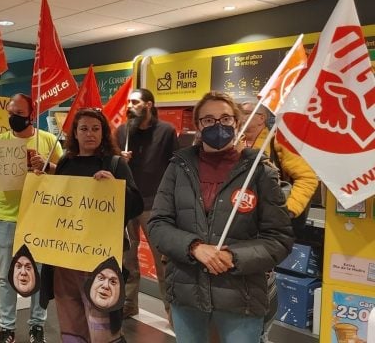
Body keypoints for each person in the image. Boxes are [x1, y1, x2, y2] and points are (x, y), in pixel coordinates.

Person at [147, 91, 294, 343]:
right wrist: (194, 247)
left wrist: (233, 256)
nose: (218, 125)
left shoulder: (260, 172)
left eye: (225, 119)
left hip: (241, 296)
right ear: (198, 126)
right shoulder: (178, 167)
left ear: (237, 123)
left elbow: (279, 239)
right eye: (208, 120)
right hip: (187, 291)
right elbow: (158, 225)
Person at [40, 108, 144, 343]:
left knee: (101, 317)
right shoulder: (66, 161)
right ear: (74, 133)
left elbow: (136, 204)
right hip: (65, 257)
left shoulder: (116, 163)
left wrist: (115, 187)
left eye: (95, 129)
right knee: (70, 315)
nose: (90, 134)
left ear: (103, 133)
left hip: (99, 256)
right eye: (84, 129)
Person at [0, 93, 63, 343]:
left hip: (41, 217)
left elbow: (67, 177)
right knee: (7, 275)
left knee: (38, 273)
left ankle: (37, 324)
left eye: (18, 113)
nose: (13, 117)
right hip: (8, 216)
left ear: (31, 112)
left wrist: (47, 167)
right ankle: (7, 327)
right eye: (10, 112)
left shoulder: (49, 140)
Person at [238, 100, 319, 343]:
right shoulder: (232, 142)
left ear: (261, 118)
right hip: (237, 227)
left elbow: (307, 178)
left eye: (244, 112)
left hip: (265, 230)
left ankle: (260, 335)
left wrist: (288, 211)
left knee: (262, 281)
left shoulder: (278, 140)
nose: (238, 116)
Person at [115, 88, 178, 319]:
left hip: (155, 205)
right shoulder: (122, 131)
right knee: (128, 260)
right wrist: (118, 160)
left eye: (135, 101)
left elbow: (175, 166)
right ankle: (129, 305)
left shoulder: (166, 131)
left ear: (149, 105)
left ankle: (173, 313)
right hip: (127, 203)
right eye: (129, 102)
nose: (130, 106)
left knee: (164, 261)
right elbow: (110, 165)